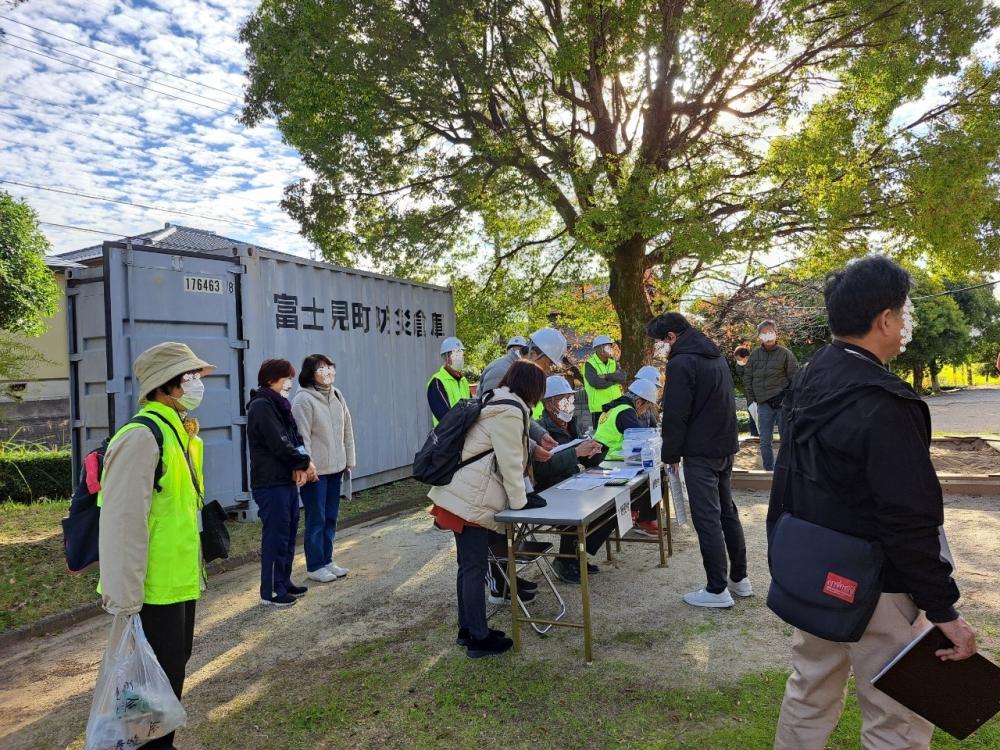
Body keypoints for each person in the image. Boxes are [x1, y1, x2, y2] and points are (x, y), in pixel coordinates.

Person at [769, 255, 974, 750]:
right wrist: (943, 609)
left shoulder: (809, 378)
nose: (906, 325)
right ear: (885, 319)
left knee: (808, 691)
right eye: (904, 314)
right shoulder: (885, 401)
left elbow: (786, 482)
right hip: (879, 585)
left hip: (814, 572)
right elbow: (909, 518)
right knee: (896, 718)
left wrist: (787, 557)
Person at [97, 341, 215, 749]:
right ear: (167, 386)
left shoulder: (176, 432)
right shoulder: (142, 436)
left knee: (168, 677)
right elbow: (122, 522)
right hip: (149, 589)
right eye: (190, 377)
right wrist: (125, 597)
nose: (199, 384)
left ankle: (159, 744)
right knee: (148, 683)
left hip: (177, 581)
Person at [428, 360, 545, 658]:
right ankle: (478, 639)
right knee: (473, 567)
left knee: (468, 567)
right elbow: (510, 462)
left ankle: (469, 630)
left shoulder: (494, 400)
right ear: (533, 387)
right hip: (471, 500)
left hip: (460, 495)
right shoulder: (510, 410)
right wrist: (520, 503)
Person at [647, 313, 749, 608]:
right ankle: (740, 579)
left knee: (707, 518)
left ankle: (717, 589)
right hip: (724, 446)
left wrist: (670, 455)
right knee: (727, 513)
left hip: (700, 451)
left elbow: (677, 413)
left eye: (659, 342)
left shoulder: (681, 362)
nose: (658, 349)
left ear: (671, 337)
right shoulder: (714, 355)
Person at [247, 358, 316, 607]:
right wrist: (303, 463)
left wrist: (301, 464)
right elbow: (278, 443)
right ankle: (272, 591)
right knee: (276, 535)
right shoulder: (262, 406)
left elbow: (294, 436)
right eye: (285, 377)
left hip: (284, 480)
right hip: (270, 483)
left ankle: (284, 581)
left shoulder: (280, 405)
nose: (289, 382)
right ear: (270, 379)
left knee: (288, 532)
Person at [532, 375, 610, 584]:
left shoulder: (572, 424)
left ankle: (577, 555)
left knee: (610, 505)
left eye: (571, 399)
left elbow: (586, 458)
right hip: (551, 488)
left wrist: (596, 450)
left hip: (573, 481)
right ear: (549, 403)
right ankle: (565, 561)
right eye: (564, 399)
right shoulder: (541, 430)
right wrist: (576, 453)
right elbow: (543, 468)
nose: (570, 404)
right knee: (576, 508)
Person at [292, 354, 356, 584]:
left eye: (329, 366)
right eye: (321, 368)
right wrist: (306, 466)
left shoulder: (337, 394)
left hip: (336, 468)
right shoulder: (303, 400)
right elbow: (302, 437)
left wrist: (349, 458)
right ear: (310, 373)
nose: (327, 371)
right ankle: (315, 565)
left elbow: (347, 428)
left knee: (330, 517)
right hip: (315, 472)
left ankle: (327, 559)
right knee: (316, 518)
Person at [592, 379, 662, 537]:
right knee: (653, 478)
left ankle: (637, 515)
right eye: (647, 406)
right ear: (638, 402)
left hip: (604, 459)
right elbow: (639, 439)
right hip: (613, 463)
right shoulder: (626, 411)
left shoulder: (614, 407)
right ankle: (643, 519)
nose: (646, 411)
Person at [743, 321, 799, 470]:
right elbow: (748, 378)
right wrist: (751, 400)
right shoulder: (754, 355)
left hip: (782, 403)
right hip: (763, 404)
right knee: (764, 440)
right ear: (759, 336)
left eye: (771, 331)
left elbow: (795, 378)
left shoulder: (786, 353)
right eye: (764, 332)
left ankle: (785, 468)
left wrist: (789, 398)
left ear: (776, 333)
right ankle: (769, 469)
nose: (768, 335)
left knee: (785, 438)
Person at [583, 334, 627, 428]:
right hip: (600, 408)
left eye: (611, 346)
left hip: (616, 406)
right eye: (608, 347)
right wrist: (615, 380)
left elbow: (623, 377)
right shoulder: (589, 364)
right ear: (600, 349)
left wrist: (606, 376)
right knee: (601, 438)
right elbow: (596, 383)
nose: (611, 349)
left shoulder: (613, 362)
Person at [427, 336, 471, 426]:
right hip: (448, 437)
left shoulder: (463, 380)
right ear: (446, 358)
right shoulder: (437, 382)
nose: (460, 358)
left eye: (461, 354)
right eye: (455, 354)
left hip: (466, 435)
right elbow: (445, 417)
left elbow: (471, 407)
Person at [733, 345, 760, 437]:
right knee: (752, 417)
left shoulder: (757, 364)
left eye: (739, 359)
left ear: (747, 357)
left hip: (760, 396)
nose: (738, 361)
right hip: (750, 396)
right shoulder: (739, 367)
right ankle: (754, 436)